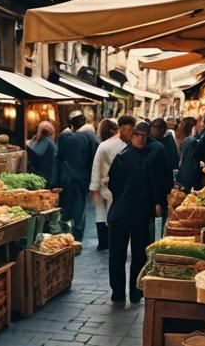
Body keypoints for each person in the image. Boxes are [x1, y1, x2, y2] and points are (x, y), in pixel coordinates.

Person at [107, 121, 170, 305]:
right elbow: (114, 184)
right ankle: (118, 292)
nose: (141, 139)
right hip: (123, 213)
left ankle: (135, 291)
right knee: (118, 256)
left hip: (139, 213)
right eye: (137, 135)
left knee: (138, 256)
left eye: (144, 136)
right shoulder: (123, 156)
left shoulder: (150, 155)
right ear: (132, 136)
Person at [89, 115, 132, 250]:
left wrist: (94, 187)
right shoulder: (129, 145)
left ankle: (103, 243)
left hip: (104, 185)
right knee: (116, 215)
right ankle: (115, 241)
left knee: (101, 213)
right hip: (122, 186)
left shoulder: (104, 146)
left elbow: (96, 167)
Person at [55, 110, 97, 242]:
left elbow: (58, 158)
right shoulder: (90, 137)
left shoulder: (63, 137)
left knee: (66, 209)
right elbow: (92, 159)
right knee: (78, 210)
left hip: (66, 179)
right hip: (81, 179)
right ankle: (76, 238)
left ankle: (65, 236)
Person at [25, 120, 57, 186]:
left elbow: (36, 155)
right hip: (40, 179)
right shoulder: (37, 140)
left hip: (43, 180)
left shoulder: (46, 142)